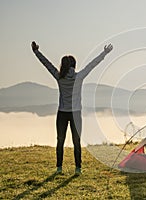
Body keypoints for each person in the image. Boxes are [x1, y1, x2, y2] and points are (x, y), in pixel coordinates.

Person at [31, 41, 113, 175]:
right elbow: (92, 65)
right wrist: (104, 53)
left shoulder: (59, 77)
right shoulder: (79, 77)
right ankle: (78, 169)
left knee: (60, 141)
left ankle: (59, 168)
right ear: (74, 66)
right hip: (75, 113)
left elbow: (47, 64)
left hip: (62, 113)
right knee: (77, 141)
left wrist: (36, 52)